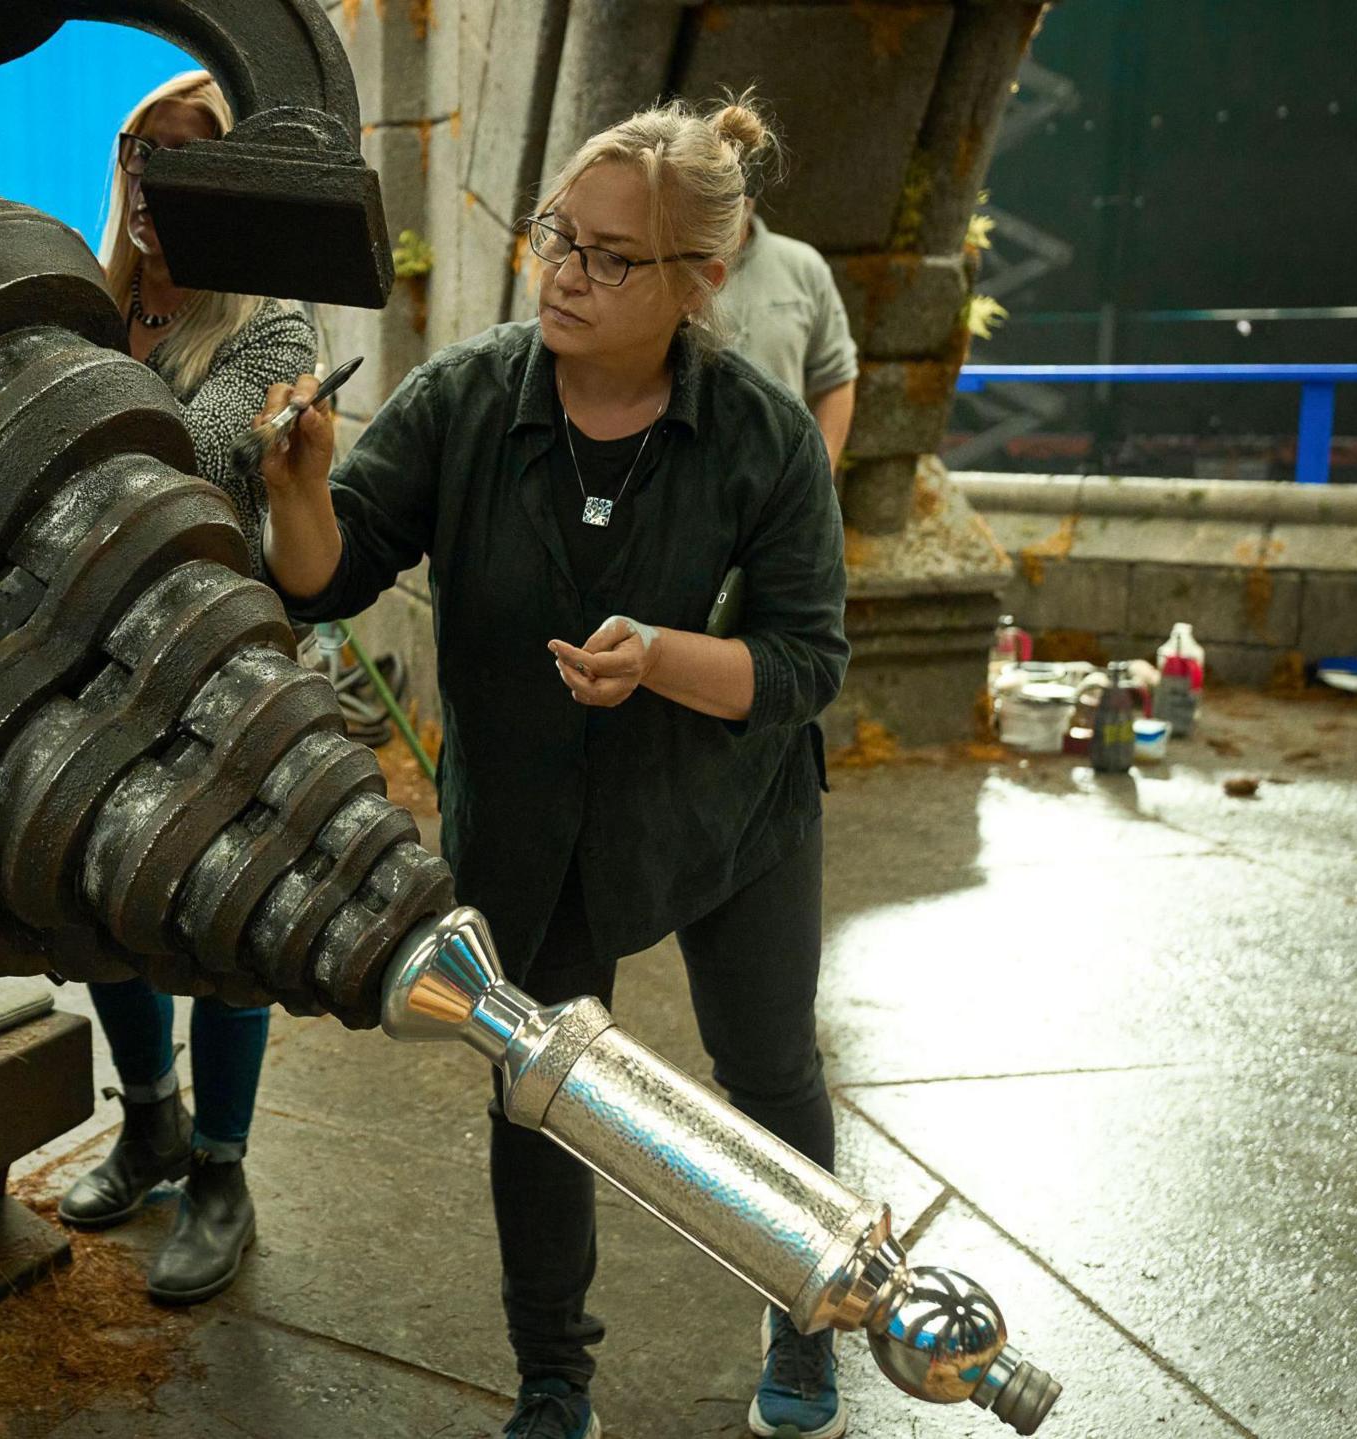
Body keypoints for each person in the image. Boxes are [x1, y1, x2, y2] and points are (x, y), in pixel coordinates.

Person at [255, 95, 850, 1439]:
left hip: (727, 808)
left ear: (701, 279)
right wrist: (298, 486)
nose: (567, 273)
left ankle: (810, 1310)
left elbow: (808, 661)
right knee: (541, 1085)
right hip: (530, 816)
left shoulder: (759, 434)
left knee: (767, 1068)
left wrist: (662, 658)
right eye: (554, 238)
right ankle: (553, 1381)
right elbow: (327, 573)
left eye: (610, 255)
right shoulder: (468, 397)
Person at [52, 70, 321, 1308]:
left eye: (189, 157)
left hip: (218, 663)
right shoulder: (75, 298)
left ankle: (222, 1172)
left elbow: (221, 465)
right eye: (141, 151)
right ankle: (150, 1124)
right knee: (100, 901)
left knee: (221, 921)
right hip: (87, 656)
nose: (158, 180)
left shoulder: (270, 330)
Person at [712, 195, 857, 463]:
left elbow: (836, 377)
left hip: (781, 483)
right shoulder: (666, 267)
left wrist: (819, 476)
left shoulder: (804, 267)